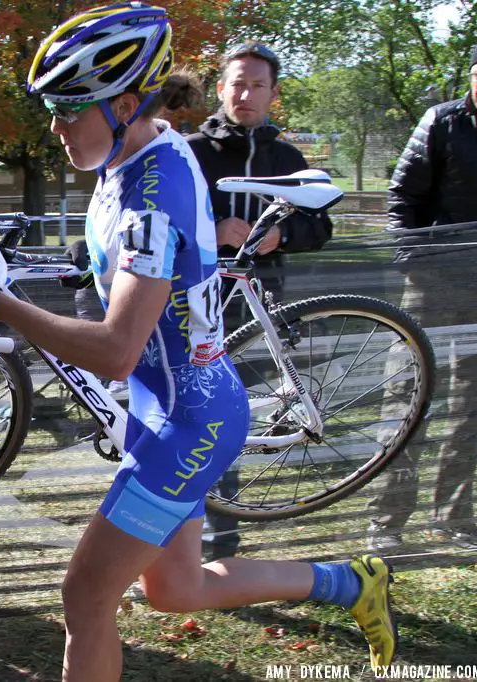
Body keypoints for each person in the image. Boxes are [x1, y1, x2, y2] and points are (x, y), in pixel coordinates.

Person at [0, 4, 394, 679]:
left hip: (187, 421)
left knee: (85, 596)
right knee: (175, 589)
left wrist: (0, 304)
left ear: (122, 102)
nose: (55, 127)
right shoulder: (141, 147)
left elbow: (117, 347)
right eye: (52, 109)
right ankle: (353, 583)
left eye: (68, 108)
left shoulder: (152, 197)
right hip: (166, 406)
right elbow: (123, 277)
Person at [185, 41, 333, 561]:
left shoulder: (286, 157)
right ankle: (170, 539)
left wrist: (280, 238)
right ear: (221, 87)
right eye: (237, 82)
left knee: (229, 426)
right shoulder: (188, 151)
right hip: (188, 307)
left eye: (258, 85)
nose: (246, 93)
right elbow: (157, 224)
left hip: (258, 313)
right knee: (183, 420)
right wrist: (212, 229)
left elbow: (322, 224)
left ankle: (219, 542)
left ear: (273, 94)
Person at [365, 36, 477, 552]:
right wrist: (414, 262)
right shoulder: (442, 122)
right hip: (431, 288)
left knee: (472, 408)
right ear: (473, 75)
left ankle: (453, 517)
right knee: (409, 399)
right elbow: (401, 196)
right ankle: (387, 524)